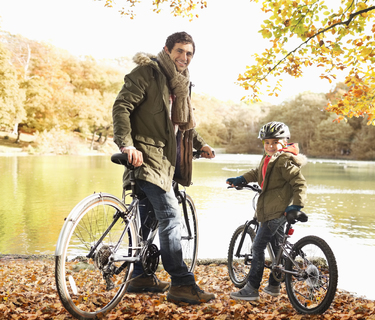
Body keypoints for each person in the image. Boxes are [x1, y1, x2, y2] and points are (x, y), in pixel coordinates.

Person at [112, 31, 215, 304]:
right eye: (179, 51)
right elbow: (121, 106)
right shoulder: (148, 72)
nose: (184, 57)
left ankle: (141, 276)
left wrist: (201, 144)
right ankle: (181, 283)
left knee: (148, 222)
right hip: (146, 159)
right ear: (167, 50)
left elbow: (180, 126)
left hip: (167, 163)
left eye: (189, 53)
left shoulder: (181, 83)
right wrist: (127, 145)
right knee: (171, 217)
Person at [226, 121, 307, 301]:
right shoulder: (269, 158)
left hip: (275, 211)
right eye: (267, 142)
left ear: (284, 143)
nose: (270, 146)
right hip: (272, 208)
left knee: (257, 246)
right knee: (277, 247)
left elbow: (299, 183)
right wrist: (241, 179)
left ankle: (252, 289)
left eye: (274, 142)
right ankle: (273, 285)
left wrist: (297, 205)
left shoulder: (284, 161)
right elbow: (258, 173)